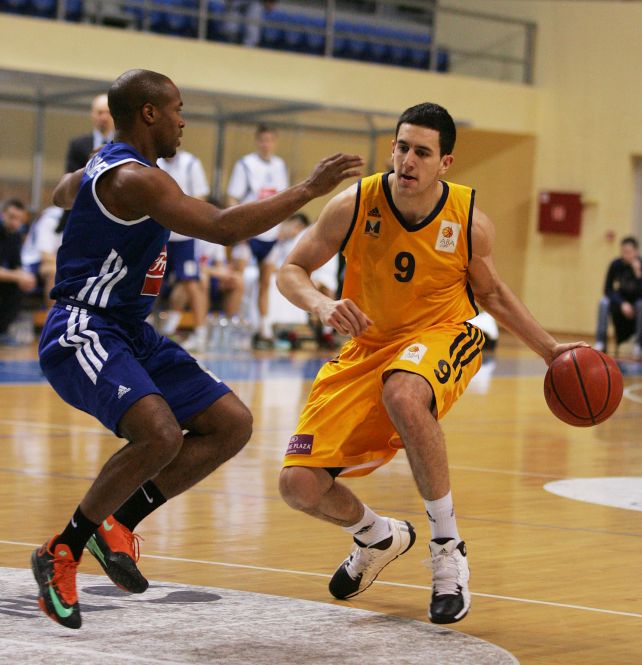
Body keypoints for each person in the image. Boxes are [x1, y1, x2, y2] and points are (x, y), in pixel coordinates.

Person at [31, 68, 362, 630]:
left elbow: (64, 190)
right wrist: (307, 189)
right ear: (149, 113)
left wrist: (83, 196)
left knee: (231, 423)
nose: (183, 121)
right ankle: (62, 550)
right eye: (178, 109)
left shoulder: (105, 167)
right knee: (159, 434)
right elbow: (224, 228)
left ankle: (119, 523)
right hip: (83, 326)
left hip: (130, 329)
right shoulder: (135, 179)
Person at [276, 102, 586, 625]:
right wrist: (321, 304)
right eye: (402, 147)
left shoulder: (468, 220)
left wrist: (550, 351)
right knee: (298, 486)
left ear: (445, 163)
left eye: (422, 152)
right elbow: (291, 268)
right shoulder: (354, 204)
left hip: (442, 334)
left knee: (403, 391)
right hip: (367, 348)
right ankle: (377, 536)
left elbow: (493, 294)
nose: (408, 160)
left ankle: (448, 551)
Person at [227, 123, 289, 347]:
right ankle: (232, 329)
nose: (266, 144)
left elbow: (284, 199)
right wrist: (237, 226)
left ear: (275, 142)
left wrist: (283, 226)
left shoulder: (280, 166)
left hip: (271, 234)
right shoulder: (245, 164)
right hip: (249, 232)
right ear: (257, 141)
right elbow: (232, 198)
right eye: (262, 140)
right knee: (238, 281)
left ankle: (263, 328)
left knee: (265, 282)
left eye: (270, 140)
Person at [157, 150, 211, 352]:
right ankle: (143, 328)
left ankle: (201, 334)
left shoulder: (191, 163)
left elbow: (201, 197)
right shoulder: (153, 162)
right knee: (149, 281)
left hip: (184, 237)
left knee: (191, 282)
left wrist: (178, 213)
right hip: (159, 234)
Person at [595, 236, 642, 359]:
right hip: (620, 301)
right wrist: (622, 303)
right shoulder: (616, 264)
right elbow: (607, 289)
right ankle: (601, 341)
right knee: (603, 302)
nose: (625, 255)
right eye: (623, 252)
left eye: (629, 252)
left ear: (636, 252)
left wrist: (638, 274)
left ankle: (639, 345)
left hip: (637, 301)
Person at [0, 198, 36, 345]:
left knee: (19, 286)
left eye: (19, 219)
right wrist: (18, 276)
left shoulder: (15, 236)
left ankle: (2, 331)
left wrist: (25, 277)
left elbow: (17, 266)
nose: (15, 223)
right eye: (11, 217)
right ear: (3, 214)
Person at [65, 93, 115, 173]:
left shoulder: (124, 143)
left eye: (108, 112)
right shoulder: (78, 145)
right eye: (100, 112)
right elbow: (71, 175)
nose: (104, 118)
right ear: (92, 114)